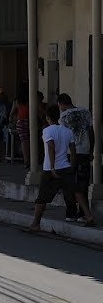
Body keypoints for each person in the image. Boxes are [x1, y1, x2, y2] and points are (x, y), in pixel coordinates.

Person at [26, 104, 96, 232]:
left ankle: (36, 223)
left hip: (50, 169)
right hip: (65, 166)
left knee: (42, 198)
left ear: (47, 118)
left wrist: (52, 167)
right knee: (76, 191)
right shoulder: (67, 131)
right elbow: (73, 151)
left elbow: (51, 147)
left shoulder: (47, 131)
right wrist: (72, 167)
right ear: (58, 117)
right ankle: (89, 216)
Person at [58, 93, 94, 223]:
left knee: (68, 183)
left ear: (61, 104)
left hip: (70, 153)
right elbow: (91, 132)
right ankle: (83, 212)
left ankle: (71, 211)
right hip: (84, 152)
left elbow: (63, 137)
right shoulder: (85, 112)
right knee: (83, 183)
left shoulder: (63, 116)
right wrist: (91, 150)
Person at [11, 91, 30, 169]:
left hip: (21, 121)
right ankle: (28, 159)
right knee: (27, 141)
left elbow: (11, 113)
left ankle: (26, 160)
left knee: (23, 141)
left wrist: (11, 120)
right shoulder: (28, 102)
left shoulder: (16, 101)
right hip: (28, 121)